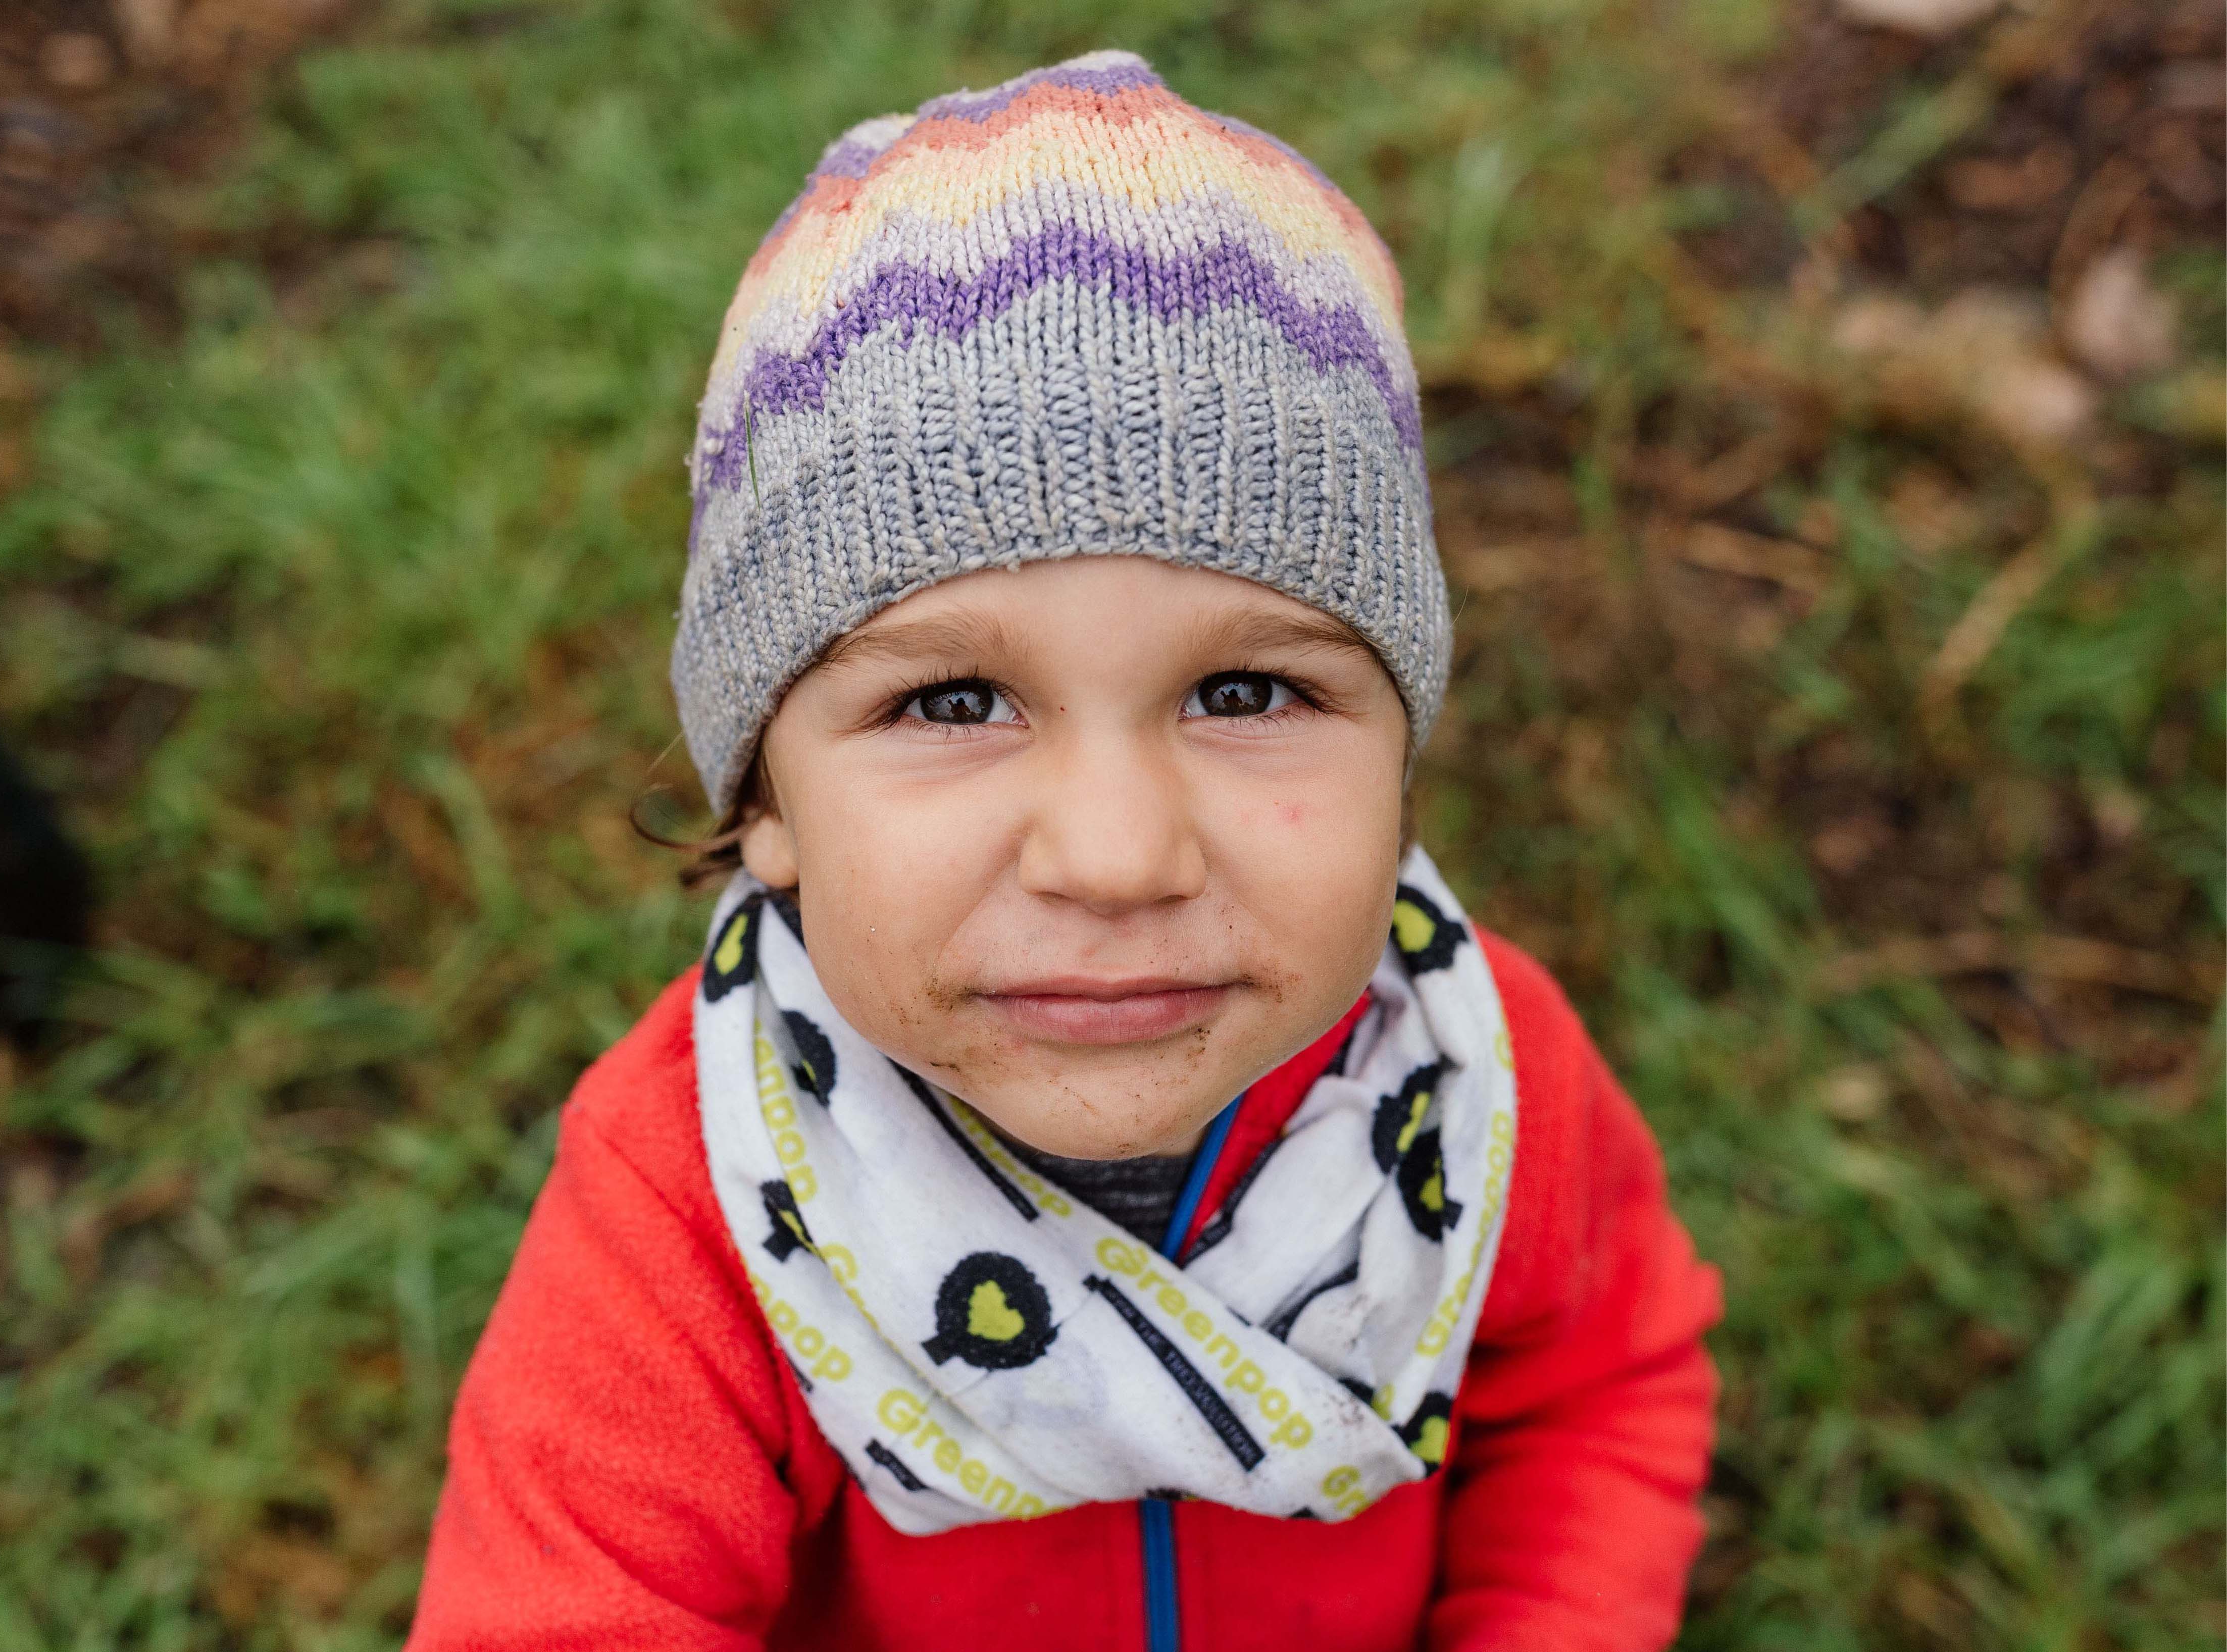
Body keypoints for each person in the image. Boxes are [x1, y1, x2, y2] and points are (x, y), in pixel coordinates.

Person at [408, 52, 1721, 1651]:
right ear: (764, 805)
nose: (1114, 857)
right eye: (953, 702)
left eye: (1246, 692)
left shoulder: (1480, 1080)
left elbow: (1592, 1392)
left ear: (1399, 747)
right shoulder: (700, 1196)